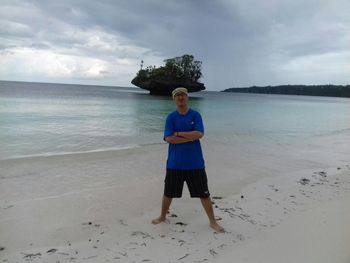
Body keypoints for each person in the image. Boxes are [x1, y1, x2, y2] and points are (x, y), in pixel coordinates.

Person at [152, 87, 224, 233]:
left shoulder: (195, 115)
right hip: (175, 164)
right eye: (177, 95)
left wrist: (179, 134)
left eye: (183, 95)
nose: (180, 98)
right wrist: (189, 137)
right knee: (168, 193)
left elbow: (199, 134)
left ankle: (212, 221)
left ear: (187, 97)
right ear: (174, 99)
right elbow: (169, 138)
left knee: (204, 194)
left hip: (195, 164)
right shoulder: (171, 117)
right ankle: (162, 216)